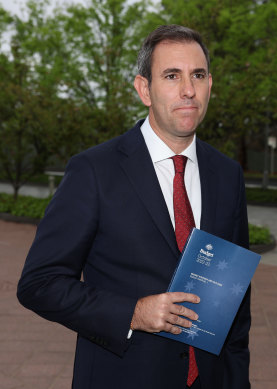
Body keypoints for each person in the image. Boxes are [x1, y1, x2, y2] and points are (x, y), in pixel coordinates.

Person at [17, 24, 251, 389]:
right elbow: (39, 283)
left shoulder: (228, 175)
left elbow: (237, 305)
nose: (188, 90)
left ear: (210, 84)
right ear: (144, 88)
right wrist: (134, 313)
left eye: (198, 75)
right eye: (172, 76)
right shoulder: (94, 170)